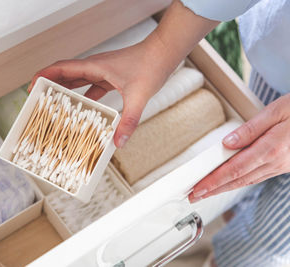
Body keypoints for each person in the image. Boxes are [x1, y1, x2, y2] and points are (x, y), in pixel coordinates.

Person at [29, 0, 290, 266]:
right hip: (279, 57)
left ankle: (229, 256)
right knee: (250, 166)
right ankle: (232, 215)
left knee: (262, 242)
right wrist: (161, 49)